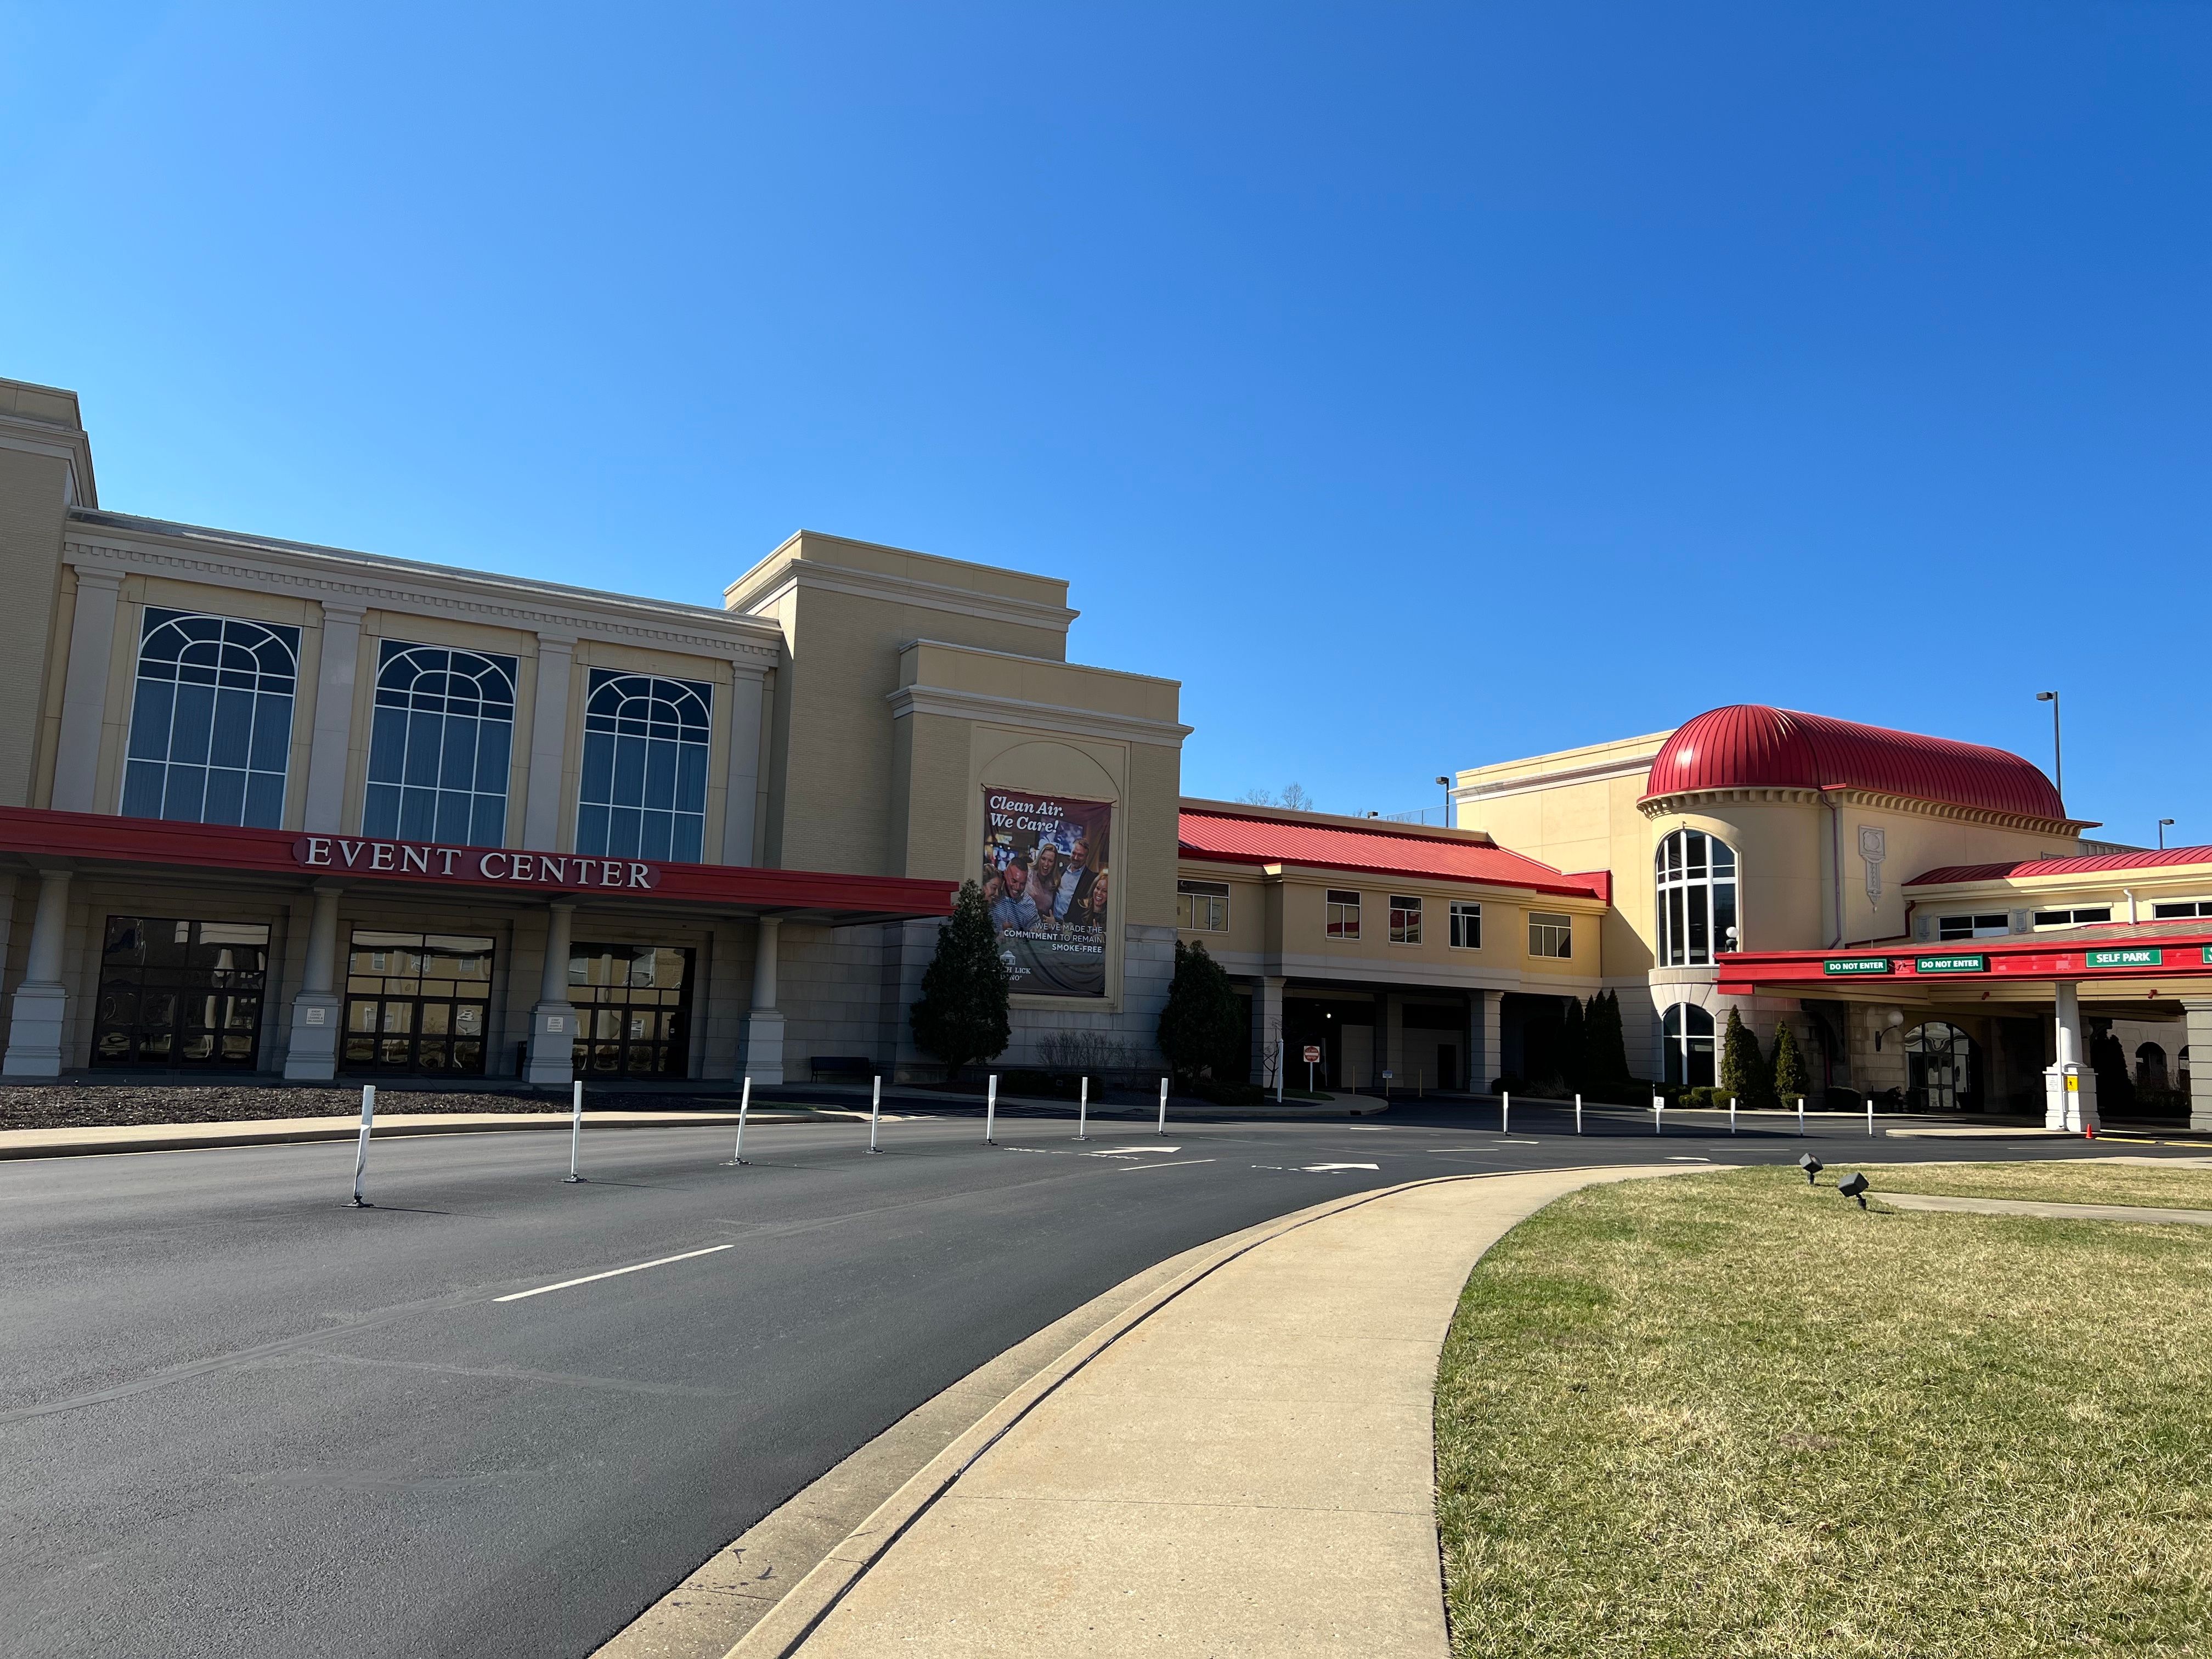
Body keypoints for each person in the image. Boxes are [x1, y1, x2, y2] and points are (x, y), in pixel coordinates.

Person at [990, 859, 1038, 933]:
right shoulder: (992, 895)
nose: (1018, 887)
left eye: (1022, 884)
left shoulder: (1030, 905)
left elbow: (1036, 932)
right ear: (1005, 874)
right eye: (1014, 881)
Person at [1027, 843, 1064, 918]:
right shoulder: (1028, 873)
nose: (1046, 864)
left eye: (1050, 861)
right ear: (1039, 858)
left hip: (1041, 923)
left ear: (1054, 864)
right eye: (1043, 859)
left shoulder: (1054, 882)